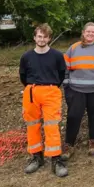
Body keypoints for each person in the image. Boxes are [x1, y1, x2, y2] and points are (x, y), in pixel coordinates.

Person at [19, 23, 68, 177]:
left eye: (45, 37)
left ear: (49, 38)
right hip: (32, 92)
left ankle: (56, 158)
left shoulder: (57, 56)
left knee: (52, 126)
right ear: (35, 37)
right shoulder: (26, 56)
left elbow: (61, 74)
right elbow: (23, 76)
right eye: (39, 36)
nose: (41, 39)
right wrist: (33, 88)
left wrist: (50, 87)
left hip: (51, 91)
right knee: (32, 125)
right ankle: (36, 156)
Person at [62, 23, 94, 159]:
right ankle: (69, 144)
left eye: (93, 32)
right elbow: (65, 67)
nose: (90, 34)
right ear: (83, 33)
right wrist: (66, 84)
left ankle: (93, 140)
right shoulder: (73, 48)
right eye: (88, 32)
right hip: (76, 89)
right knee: (73, 116)